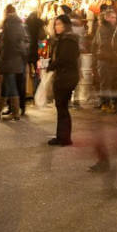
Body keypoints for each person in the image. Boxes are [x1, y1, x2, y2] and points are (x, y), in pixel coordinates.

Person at [47, 14, 81, 146]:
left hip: (66, 77)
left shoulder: (68, 40)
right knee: (61, 107)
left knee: (62, 108)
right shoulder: (63, 39)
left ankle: (65, 138)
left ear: (66, 25)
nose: (57, 27)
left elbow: (65, 59)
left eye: (60, 24)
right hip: (64, 76)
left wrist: (51, 66)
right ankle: (61, 136)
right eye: (56, 24)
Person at [0, 5, 28, 121]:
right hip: (18, 62)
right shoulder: (21, 27)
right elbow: (25, 43)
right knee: (6, 86)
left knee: (11, 86)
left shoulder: (5, 28)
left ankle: (15, 112)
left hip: (7, 62)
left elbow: (0, 49)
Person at [94, 9, 117, 113]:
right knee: (106, 82)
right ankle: (105, 104)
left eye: (115, 17)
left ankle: (113, 103)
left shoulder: (112, 28)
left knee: (113, 82)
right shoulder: (103, 28)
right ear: (106, 18)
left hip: (110, 58)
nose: (114, 19)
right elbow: (103, 44)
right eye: (112, 17)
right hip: (105, 58)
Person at [24, 10, 47, 110]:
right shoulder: (39, 23)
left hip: (27, 52)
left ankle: (28, 94)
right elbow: (43, 37)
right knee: (36, 73)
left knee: (28, 74)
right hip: (36, 52)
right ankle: (35, 95)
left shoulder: (26, 24)